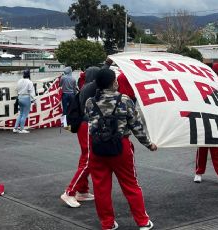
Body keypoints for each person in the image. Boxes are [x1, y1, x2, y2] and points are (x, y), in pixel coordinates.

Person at [86, 68, 157, 230]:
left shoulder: (90, 102)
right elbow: (136, 126)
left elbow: (90, 119)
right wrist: (148, 144)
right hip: (121, 147)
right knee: (131, 185)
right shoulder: (125, 100)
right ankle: (142, 221)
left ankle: (107, 223)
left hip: (97, 147)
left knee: (101, 187)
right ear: (113, 82)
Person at [61, 66, 100, 208]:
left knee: (86, 157)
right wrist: (107, 65)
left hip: (83, 126)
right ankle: (70, 192)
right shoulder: (90, 87)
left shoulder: (84, 86)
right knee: (88, 160)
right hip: (87, 125)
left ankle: (82, 190)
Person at [13, 69, 35, 134]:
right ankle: (22, 129)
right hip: (26, 98)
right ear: (29, 74)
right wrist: (34, 100)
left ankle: (15, 128)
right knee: (24, 115)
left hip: (19, 98)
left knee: (21, 114)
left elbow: (16, 89)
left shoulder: (19, 81)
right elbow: (31, 92)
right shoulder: (29, 82)